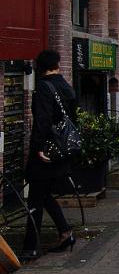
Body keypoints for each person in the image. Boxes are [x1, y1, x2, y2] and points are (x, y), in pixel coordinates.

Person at [19, 50, 77, 261]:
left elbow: (42, 120)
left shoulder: (44, 87)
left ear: (39, 67)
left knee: (35, 197)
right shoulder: (67, 87)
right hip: (63, 150)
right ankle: (65, 233)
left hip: (47, 153)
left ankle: (30, 246)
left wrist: (39, 147)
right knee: (44, 194)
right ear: (58, 65)